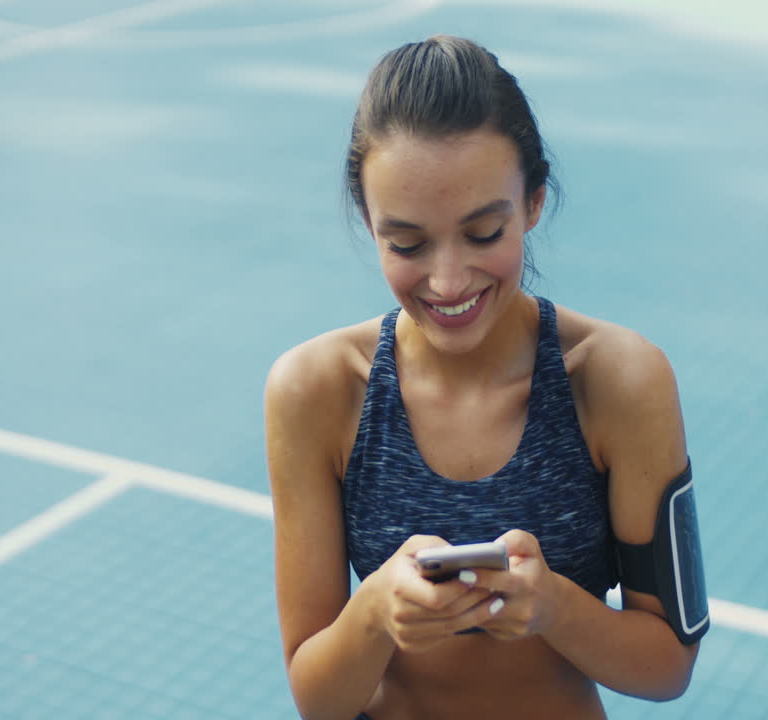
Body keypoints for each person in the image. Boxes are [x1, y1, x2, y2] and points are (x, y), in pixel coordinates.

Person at [265, 35, 706, 720]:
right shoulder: (315, 391)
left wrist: (554, 607)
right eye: (406, 243)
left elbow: (668, 666)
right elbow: (317, 700)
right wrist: (377, 612)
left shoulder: (620, 381)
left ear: (532, 202)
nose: (447, 281)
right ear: (368, 222)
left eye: (483, 234)